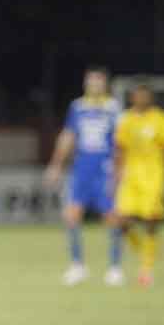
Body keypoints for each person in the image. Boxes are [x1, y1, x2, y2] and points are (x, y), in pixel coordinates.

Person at [43, 67, 124, 286]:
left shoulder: (113, 108)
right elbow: (68, 137)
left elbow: (121, 143)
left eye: (98, 81)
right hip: (81, 170)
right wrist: (56, 165)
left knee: (111, 217)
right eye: (90, 81)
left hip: (104, 170)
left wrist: (119, 171)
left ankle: (115, 267)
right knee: (71, 215)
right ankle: (77, 265)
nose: (94, 85)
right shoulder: (77, 107)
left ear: (105, 84)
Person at [114, 83, 164, 287]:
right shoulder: (126, 119)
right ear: (132, 97)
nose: (141, 98)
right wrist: (115, 176)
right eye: (138, 95)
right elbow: (119, 151)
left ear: (150, 97)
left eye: (145, 95)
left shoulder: (161, 119)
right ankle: (145, 253)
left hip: (154, 176)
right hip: (130, 177)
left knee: (152, 220)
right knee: (121, 221)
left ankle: (146, 270)